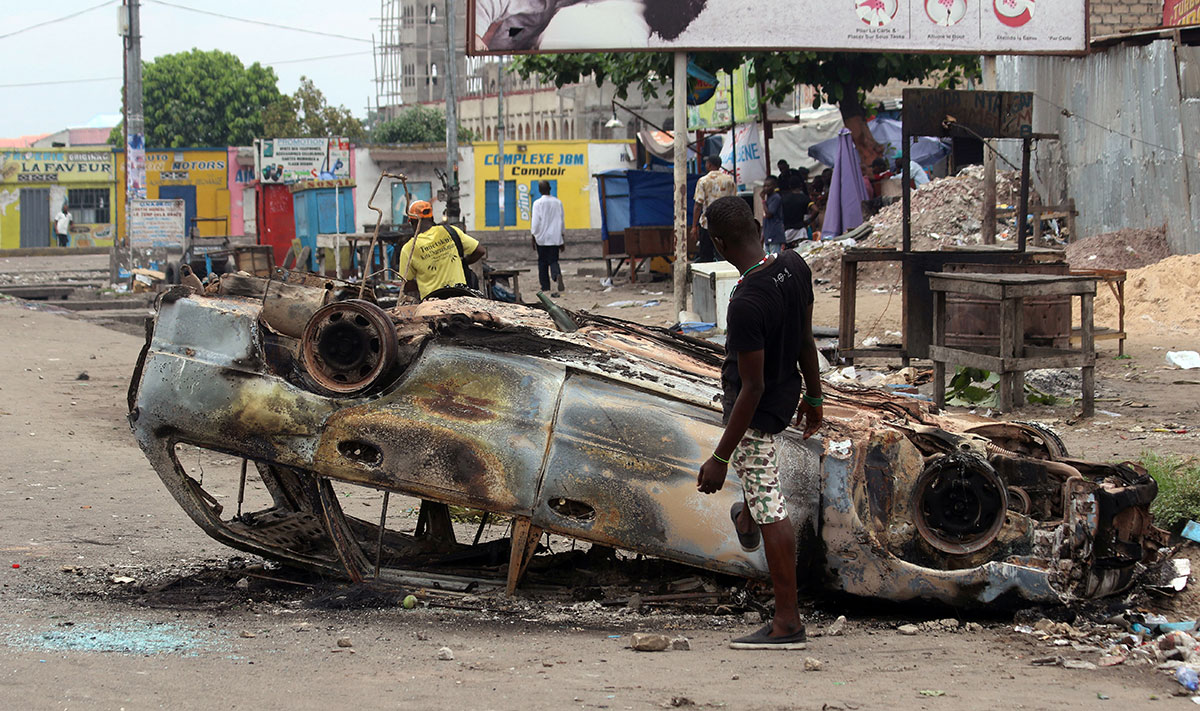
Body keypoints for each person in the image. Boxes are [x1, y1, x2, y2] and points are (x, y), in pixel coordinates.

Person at [697, 195, 823, 650]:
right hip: (786, 399)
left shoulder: (747, 301)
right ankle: (746, 516)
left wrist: (719, 458)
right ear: (756, 224)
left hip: (755, 413)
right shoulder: (794, 265)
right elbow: (806, 338)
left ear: (717, 242)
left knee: (772, 507)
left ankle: (787, 623)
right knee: (758, 491)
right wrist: (814, 395)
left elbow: (750, 389)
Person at [397, 200, 487, 300]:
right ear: (432, 218)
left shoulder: (409, 248)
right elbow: (480, 251)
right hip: (461, 297)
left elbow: (406, 284)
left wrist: (425, 281)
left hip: (432, 303)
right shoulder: (451, 232)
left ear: (412, 222)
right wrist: (463, 263)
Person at [691, 155, 736, 263]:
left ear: (709, 165)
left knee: (706, 257)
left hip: (707, 223)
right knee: (724, 255)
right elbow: (734, 202)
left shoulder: (703, 181)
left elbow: (698, 205)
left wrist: (694, 226)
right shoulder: (729, 180)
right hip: (726, 223)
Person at [530, 180, 566, 295]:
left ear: (540, 190)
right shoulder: (558, 203)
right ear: (550, 189)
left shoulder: (537, 203)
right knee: (554, 260)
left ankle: (545, 286)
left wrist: (533, 235)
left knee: (542, 262)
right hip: (555, 237)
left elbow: (535, 222)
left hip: (542, 238)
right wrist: (562, 237)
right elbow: (561, 221)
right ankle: (556, 275)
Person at [760, 176, 785, 254]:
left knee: (774, 258)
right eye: (764, 186)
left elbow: (769, 214)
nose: (766, 188)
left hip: (774, 234)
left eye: (768, 186)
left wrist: (763, 200)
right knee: (766, 257)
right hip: (768, 234)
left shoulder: (776, 198)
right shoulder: (769, 198)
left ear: (774, 186)